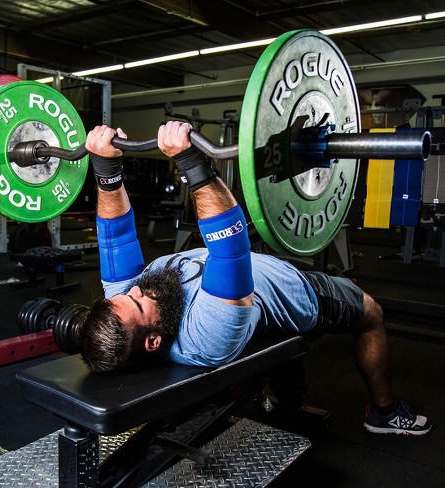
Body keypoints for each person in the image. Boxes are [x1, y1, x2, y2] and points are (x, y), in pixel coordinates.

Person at [79, 121, 431, 436]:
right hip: (299, 291)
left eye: (128, 293)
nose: (137, 288)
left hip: (264, 274)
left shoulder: (124, 303)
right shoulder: (204, 336)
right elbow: (230, 245)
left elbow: (117, 234)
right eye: (140, 302)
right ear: (154, 341)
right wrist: (190, 163)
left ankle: (286, 396)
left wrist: (106, 168)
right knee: (370, 311)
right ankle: (384, 412)